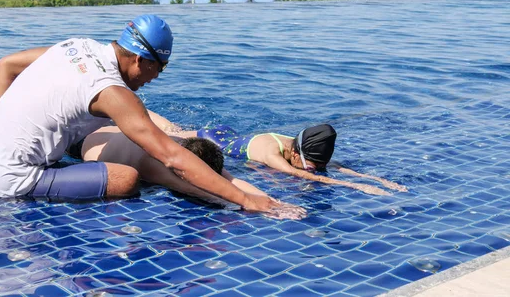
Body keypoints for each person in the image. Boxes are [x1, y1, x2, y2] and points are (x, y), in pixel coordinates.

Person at [0, 15, 305, 220]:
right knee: (126, 178)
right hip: (3, 181)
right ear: (141, 60)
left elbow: (6, 63)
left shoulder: (74, 46)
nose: (156, 77)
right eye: (159, 68)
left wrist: (1, 118)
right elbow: (172, 156)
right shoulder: (111, 92)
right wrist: (248, 200)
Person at [132, 118, 407, 196]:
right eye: (312, 166)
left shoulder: (296, 149)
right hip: (213, 137)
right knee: (169, 133)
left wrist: (373, 179)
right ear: (296, 154)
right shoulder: (273, 153)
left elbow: (328, 165)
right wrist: (357, 187)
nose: (314, 171)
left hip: (231, 134)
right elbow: (295, 173)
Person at [73, 127, 267, 203]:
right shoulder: (154, 163)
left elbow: (231, 180)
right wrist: (243, 203)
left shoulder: (187, 150)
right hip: (85, 143)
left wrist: (273, 202)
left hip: (115, 130)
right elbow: (193, 188)